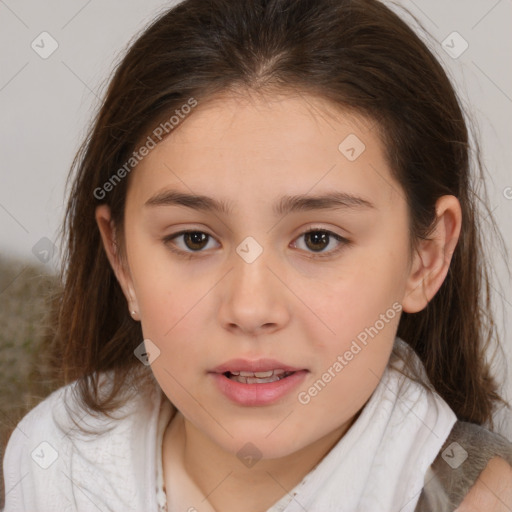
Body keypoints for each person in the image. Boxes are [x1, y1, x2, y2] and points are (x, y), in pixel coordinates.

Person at [3, 0, 512, 510]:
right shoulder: (53, 460)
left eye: (318, 239)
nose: (250, 309)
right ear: (122, 258)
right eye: (194, 239)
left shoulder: (480, 500)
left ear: (425, 257)